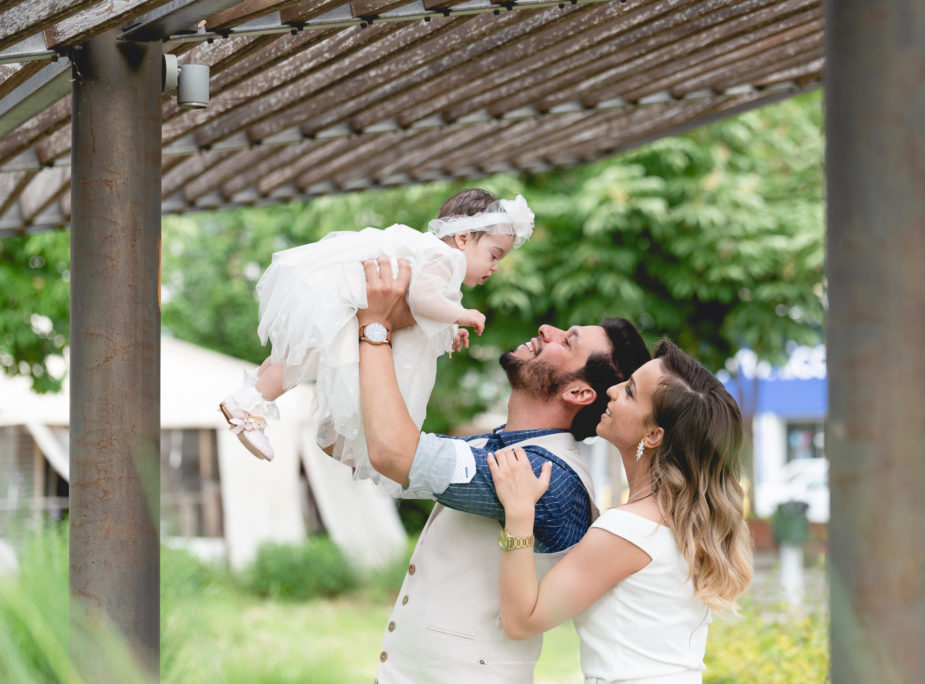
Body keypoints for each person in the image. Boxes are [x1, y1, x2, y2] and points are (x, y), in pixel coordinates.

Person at [353, 256, 651, 683]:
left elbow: (392, 453)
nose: (547, 330)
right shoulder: (495, 447)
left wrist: (376, 329)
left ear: (579, 391)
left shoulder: (547, 477)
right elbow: (367, 448)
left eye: (567, 342)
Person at [218, 189, 533, 490]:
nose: (495, 267)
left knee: (301, 357)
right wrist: (460, 315)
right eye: (494, 255)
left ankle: (263, 402)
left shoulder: (438, 260)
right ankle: (247, 406)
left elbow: (422, 301)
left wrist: (451, 326)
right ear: (463, 238)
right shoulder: (444, 257)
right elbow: (423, 301)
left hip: (350, 301)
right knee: (302, 359)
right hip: (351, 304)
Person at [487, 339, 754, 683]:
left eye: (629, 391)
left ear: (654, 434)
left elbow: (522, 621)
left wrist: (520, 516)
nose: (611, 390)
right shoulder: (684, 523)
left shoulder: (629, 529)